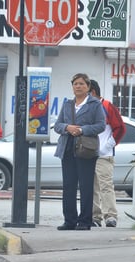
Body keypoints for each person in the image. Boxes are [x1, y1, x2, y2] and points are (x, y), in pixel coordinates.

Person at [54, 73, 106, 231]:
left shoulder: (95, 104)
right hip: (67, 148)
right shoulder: (67, 104)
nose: (78, 86)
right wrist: (67, 128)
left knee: (86, 186)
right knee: (68, 186)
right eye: (75, 83)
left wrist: (82, 130)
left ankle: (84, 221)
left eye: (82, 84)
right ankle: (69, 220)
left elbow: (101, 125)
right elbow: (57, 125)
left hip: (86, 150)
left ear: (88, 87)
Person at [90, 79, 126, 227]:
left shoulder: (107, 106)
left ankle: (110, 216)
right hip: (89, 154)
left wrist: (107, 146)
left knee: (105, 186)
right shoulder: (86, 108)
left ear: (92, 92)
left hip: (104, 156)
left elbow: (120, 128)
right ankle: (94, 217)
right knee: (91, 188)